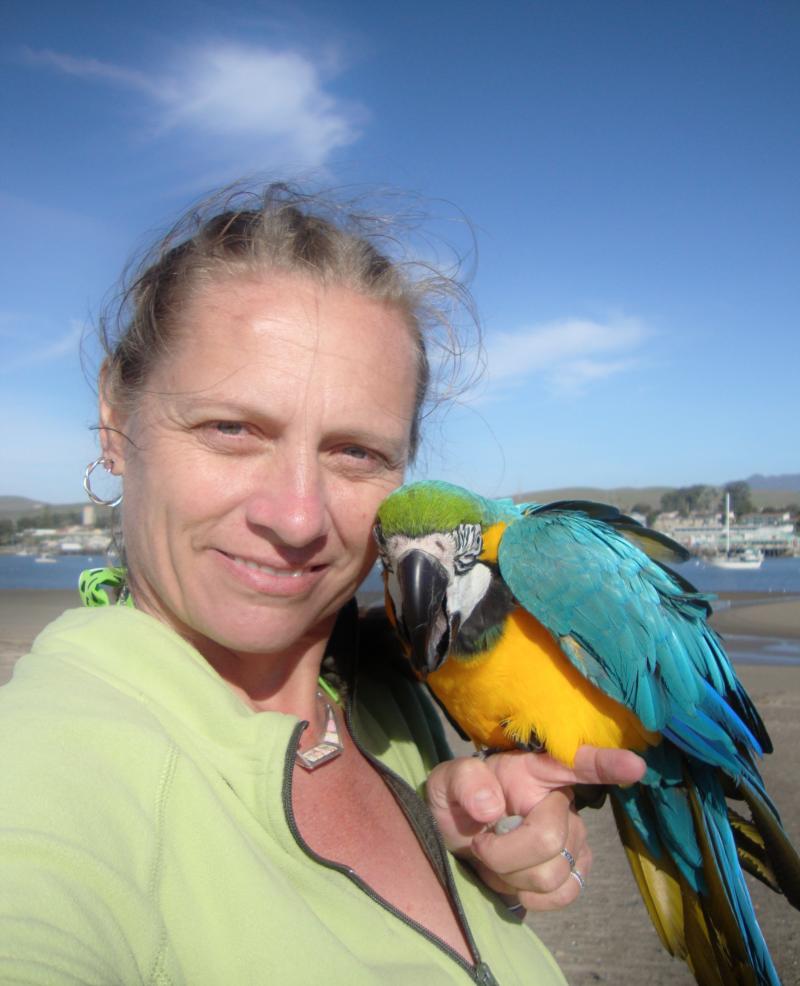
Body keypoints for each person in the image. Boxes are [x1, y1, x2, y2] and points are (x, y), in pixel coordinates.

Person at [0, 184, 644, 984]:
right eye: (231, 429)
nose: (299, 517)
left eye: (356, 454)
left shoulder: (396, 681)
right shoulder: (50, 761)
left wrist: (477, 826)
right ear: (114, 420)